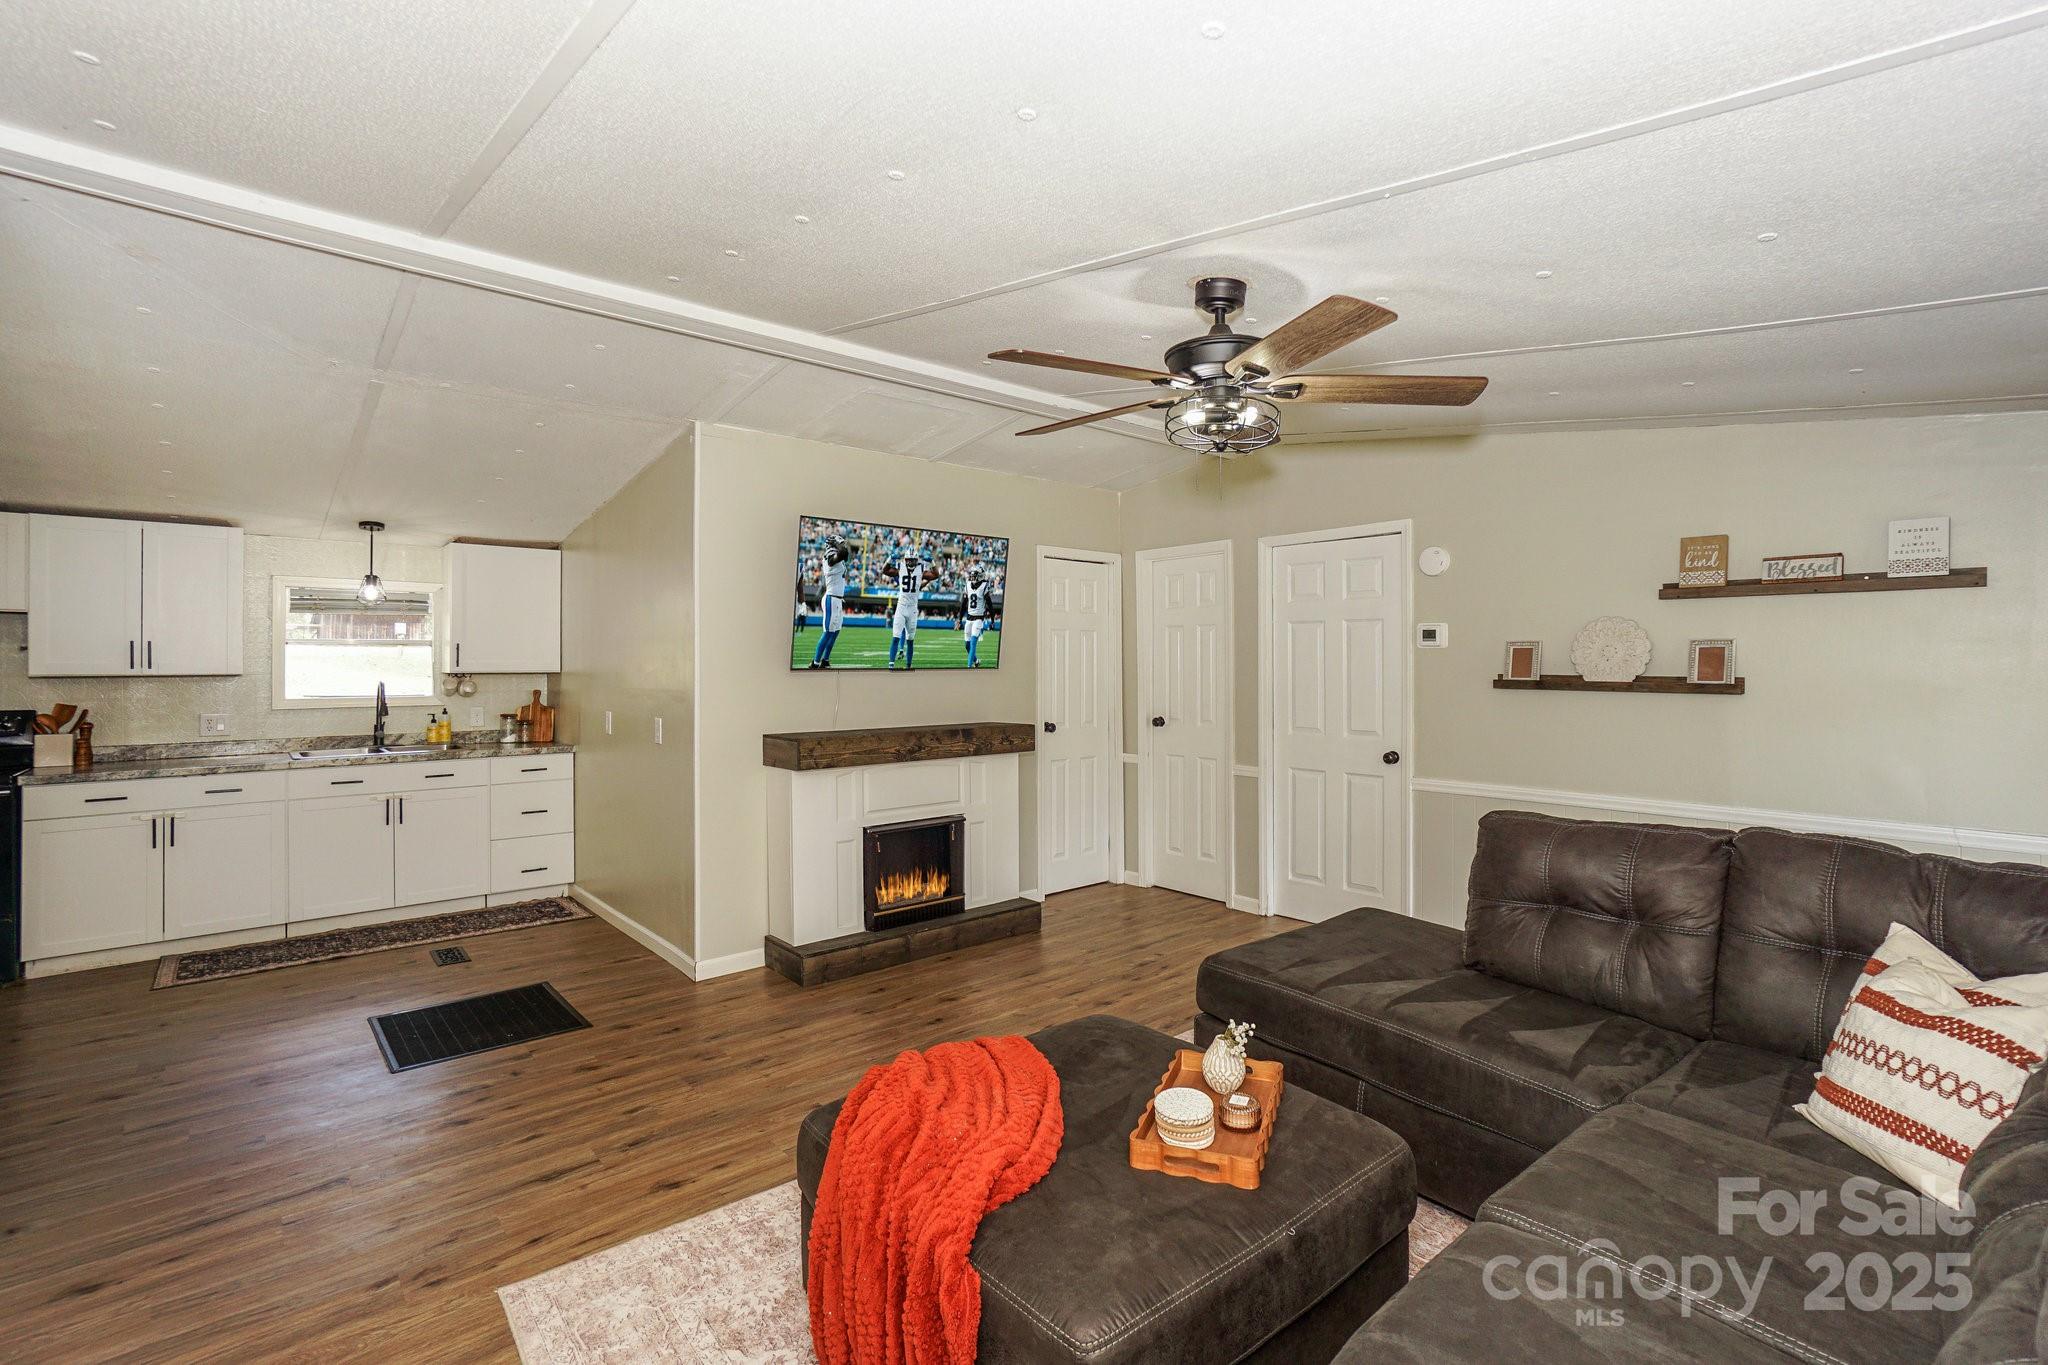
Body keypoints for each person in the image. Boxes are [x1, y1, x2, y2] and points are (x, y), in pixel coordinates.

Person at [886, 540, 931, 669]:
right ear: (905, 560)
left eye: (913, 560)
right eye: (909, 560)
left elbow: (931, 577)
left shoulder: (920, 569)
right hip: (901, 606)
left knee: (910, 640)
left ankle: (908, 666)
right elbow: (886, 571)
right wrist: (889, 559)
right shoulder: (901, 568)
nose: (911, 562)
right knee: (895, 636)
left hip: (912, 609)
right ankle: (891, 665)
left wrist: (932, 563)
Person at [807, 536, 851, 668]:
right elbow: (844, 553)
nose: (842, 545)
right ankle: (815, 663)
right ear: (833, 545)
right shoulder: (830, 556)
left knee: (835, 632)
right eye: (840, 544)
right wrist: (836, 545)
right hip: (831, 598)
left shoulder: (837, 556)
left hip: (837, 599)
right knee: (828, 632)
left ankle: (825, 660)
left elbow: (845, 555)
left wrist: (837, 545)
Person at [962, 565, 992, 668]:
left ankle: (969, 667)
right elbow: (963, 603)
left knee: (973, 643)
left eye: (975, 575)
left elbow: (990, 604)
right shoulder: (968, 585)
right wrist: (958, 619)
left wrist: (992, 620)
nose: (973, 577)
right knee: (967, 645)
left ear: (980, 576)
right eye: (972, 575)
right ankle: (976, 661)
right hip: (969, 618)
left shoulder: (984, 586)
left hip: (979, 618)